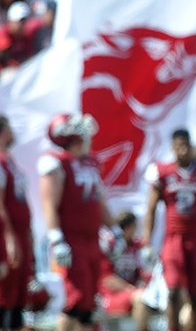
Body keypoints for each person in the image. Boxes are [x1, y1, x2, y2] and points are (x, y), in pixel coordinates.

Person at [39, 113, 126, 331]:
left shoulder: (90, 162)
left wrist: (114, 229)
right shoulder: (56, 163)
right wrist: (57, 239)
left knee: (89, 302)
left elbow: (100, 200)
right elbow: (49, 204)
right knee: (76, 299)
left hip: (91, 238)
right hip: (71, 239)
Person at [142, 128, 196, 331]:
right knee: (172, 290)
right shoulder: (163, 173)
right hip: (173, 238)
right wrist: (146, 239)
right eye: (178, 145)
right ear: (172, 148)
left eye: (185, 145)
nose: (182, 149)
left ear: (190, 145)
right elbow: (151, 208)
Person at [0, 115, 33, 330]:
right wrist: (8, 238)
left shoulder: (9, 160)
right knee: (4, 296)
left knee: (18, 299)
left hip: (21, 237)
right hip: (6, 237)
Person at [98, 212, 150, 331]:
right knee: (141, 297)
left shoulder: (138, 246)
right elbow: (107, 279)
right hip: (111, 296)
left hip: (133, 292)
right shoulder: (108, 247)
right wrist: (132, 289)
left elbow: (146, 272)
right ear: (128, 228)